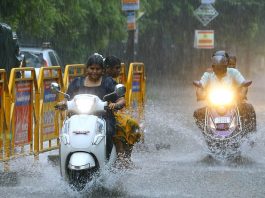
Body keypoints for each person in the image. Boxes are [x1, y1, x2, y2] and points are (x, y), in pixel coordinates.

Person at [58, 53, 125, 160]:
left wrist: (116, 104)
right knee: (65, 134)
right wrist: (63, 103)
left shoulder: (108, 82)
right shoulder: (77, 82)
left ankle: (106, 162)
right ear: (86, 69)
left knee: (107, 132)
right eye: (92, 68)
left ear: (102, 70)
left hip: (104, 118)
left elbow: (121, 99)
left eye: (97, 69)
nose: (94, 71)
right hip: (78, 118)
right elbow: (67, 98)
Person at [193, 50, 256, 131]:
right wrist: (200, 93)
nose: (219, 66)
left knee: (248, 109)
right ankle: (205, 132)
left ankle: (250, 132)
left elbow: (243, 83)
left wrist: (242, 94)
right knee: (197, 113)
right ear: (213, 64)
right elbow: (201, 85)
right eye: (216, 63)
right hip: (213, 104)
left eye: (221, 63)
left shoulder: (233, 72)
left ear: (226, 63)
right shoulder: (208, 74)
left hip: (233, 103)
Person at [104, 55, 141, 164]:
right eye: (117, 68)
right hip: (98, 114)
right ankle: (121, 158)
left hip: (110, 112)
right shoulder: (92, 81)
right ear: (107, 68)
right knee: (118, 129)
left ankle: (126, 158)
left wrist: (115, 105)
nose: (119, 71)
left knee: (132, 124)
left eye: (119, 68)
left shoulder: (112, 82)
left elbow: (121, 99)